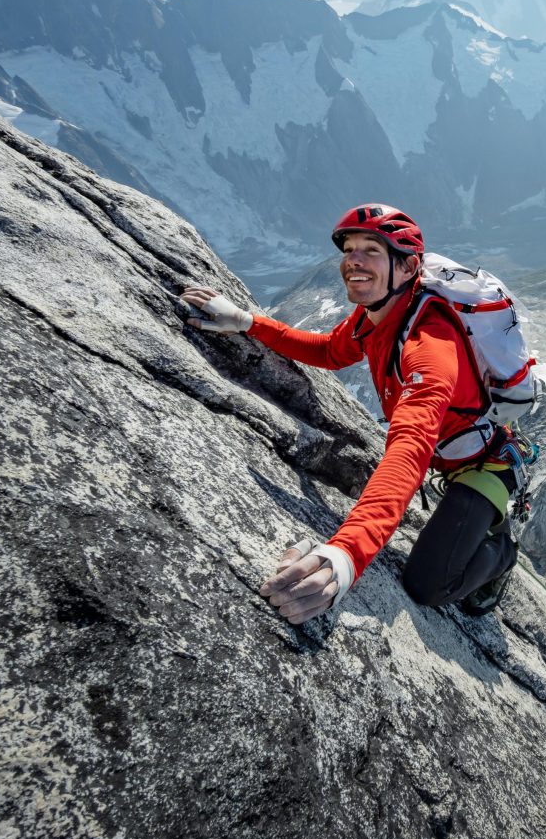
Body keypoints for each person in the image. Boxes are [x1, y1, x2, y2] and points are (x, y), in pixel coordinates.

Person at [179, 204, 522, 625]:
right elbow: (328, 351)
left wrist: (347, 552)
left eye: (371, 250)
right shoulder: (376, 316)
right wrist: (250, 323)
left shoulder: (429, 345)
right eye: (350, 249)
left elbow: (409, 449)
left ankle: (502, 552)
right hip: (452, 457)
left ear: (409, 266)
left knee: (427, 584)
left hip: (482, 468)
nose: (353, 260)